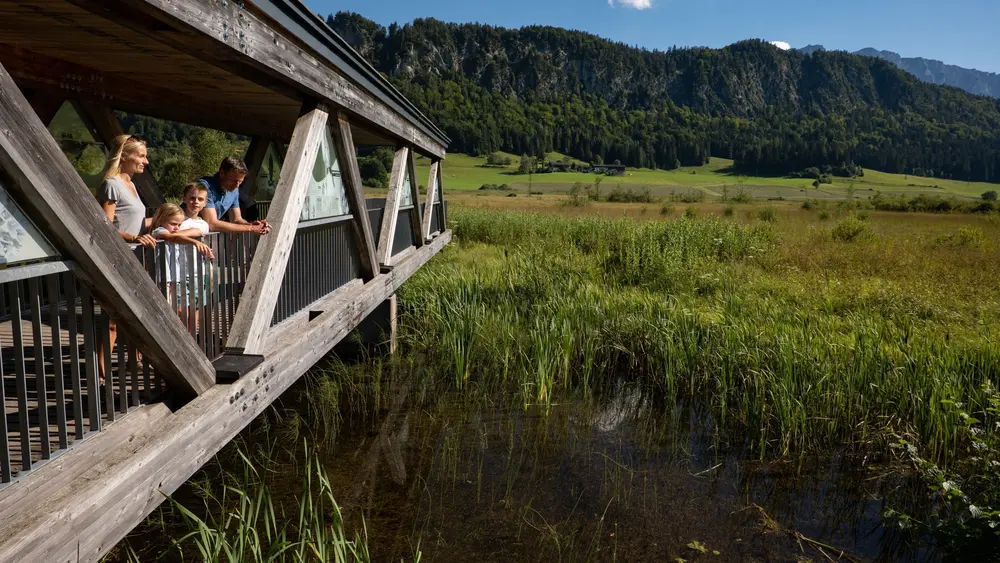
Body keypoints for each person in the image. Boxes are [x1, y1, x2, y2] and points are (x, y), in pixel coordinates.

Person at [96, 134, 157, 382]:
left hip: (135, 259)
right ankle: (101, 376)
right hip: (117, 259)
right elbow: (105, 226)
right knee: (113, 321)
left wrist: (170, 221)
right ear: (126, 156)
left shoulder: (131, 184)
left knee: (133, 317)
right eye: (141, 156)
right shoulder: (111, 184)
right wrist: (133, 238)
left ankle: (134, 363)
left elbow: (138, 223)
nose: (146, 161)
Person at [150, 203, 214, 331]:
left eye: (179, 225)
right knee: (167, 311)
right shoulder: (158, 231)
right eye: (173, 224)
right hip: (163, 278)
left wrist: (206, 253)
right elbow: (172, 238)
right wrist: (194, 241)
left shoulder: (177, 234)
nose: (176, 228)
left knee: (179, 309)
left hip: (175, 279)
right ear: (161, 219)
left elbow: (194, 233)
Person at [196, 157, 271, 234]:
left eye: (240, 181)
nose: (237, 185)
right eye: (234, 180)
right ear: (222, 173)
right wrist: (251, 228)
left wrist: (253, 225)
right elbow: (212, 224)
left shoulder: (234, 189)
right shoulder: (204, 187)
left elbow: (236, 219)